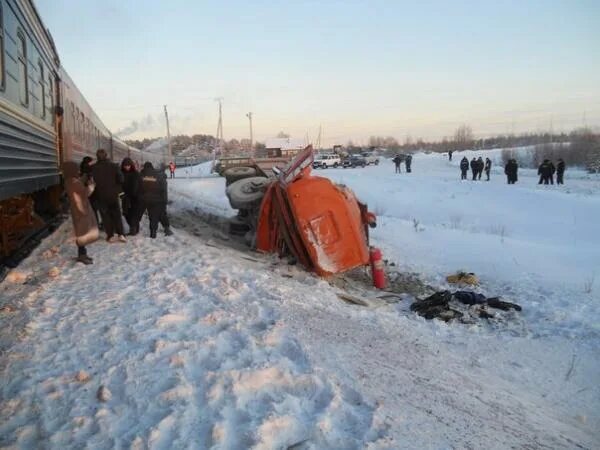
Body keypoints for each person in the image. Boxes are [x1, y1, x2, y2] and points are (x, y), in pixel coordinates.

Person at [62, 161, 98, 264]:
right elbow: (83, 193)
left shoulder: (70, 181)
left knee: (81, 231)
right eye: (76, 169)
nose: (78, 171)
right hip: (80, 210)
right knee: (81, 232)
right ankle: (82, 255)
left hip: (79, 209)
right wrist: (91, 187)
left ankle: (83, 254)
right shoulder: (72, 182)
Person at [91, 148, 126, 242]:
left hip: (101, 196)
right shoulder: (114, 166)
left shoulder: (94, 168)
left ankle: (110, 235)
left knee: (105, 216)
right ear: (106, 156)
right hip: (113, 195)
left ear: (97, 157)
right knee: (117, 215)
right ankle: (121, 234)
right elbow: (121, 179)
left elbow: (91, 182)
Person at [140, 162, 173, 238]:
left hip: (147, 199)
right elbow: (163, 190)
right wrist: (165, 200)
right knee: (161, 214)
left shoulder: (142, 175)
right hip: (159, 200)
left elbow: (140, 187)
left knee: (152, 216)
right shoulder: (159, 176)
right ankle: (165, 229)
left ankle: (153, 232)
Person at [121, 157, 143, 236]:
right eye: (125, 165)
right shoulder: (121, 173)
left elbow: (140, 186)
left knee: (134, 213)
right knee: (126, 213)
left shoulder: (136, 174)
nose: (127, 167)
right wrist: (122, 194)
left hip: (135, 197)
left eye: (128, 165)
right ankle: (134, 227)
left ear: (131, 165)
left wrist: (138, 194)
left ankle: (133, 229)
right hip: (125, 197)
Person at [80, 156, 102, 230]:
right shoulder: (90, 170)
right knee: (93, 209)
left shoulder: (83, 169)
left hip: (87, 193)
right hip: (92, 193)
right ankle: (95, 224)